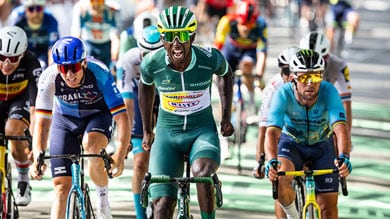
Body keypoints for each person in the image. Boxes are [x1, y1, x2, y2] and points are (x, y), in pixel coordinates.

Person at [139, 5, 234, 219]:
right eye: (170, 37)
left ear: (192, 36)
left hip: (201, 132)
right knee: (162, 205)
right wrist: (147, 130)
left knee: (202, 175)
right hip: (167, 135)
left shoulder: (209, 58)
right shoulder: (151, 63)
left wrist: (226, 117)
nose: (176, 43)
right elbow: (144, 88)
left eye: (182, 35)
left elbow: (227, 75)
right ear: (162, 39)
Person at [29, 36, 130, 219]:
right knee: (61, 187)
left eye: (73, 67)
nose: (69, 75)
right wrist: (38, 155)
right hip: (65, 122)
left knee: (91, 145)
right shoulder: (49, 78)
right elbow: (42, 122)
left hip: (97, 116)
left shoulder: (99, 72)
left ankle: (102, 201)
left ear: (83, 63)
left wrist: (120, 155)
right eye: (63, 68)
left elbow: (122, 117)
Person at [265, 49, 352, 219]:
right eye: (304, 77)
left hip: (322, 145)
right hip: (291, 143)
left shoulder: (329, 92)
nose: (310, 83)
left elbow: (341, 128)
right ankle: (293, 215)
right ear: (293, 77)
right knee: (280, 178)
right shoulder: (283, 94)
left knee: (328, 209)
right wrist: (271, 160)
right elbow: (272, 133)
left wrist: (345, 156)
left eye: (316, 77)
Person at [116, 25, 162, 219]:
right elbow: (127, 105)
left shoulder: (173, 60)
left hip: (163, 99)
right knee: (140, 162)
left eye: (156, 55)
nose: (150, 60)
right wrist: (125, 139)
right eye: (146, 55)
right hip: (137, 98)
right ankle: (140, 215)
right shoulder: (127, 61)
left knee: (163, 158)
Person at [252, 46, 298, 219]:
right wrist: (260, 160)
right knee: (277, 179)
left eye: (293, 71)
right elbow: (263, 127)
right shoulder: (273, 88)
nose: (289, 76)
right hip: (280, 134)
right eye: (285, 71)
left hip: (302, 134)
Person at [0, 26, 42, 206]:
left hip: (21, 100)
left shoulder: (32, 64)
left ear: (23, 55)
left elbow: (35, 109)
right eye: (2, 58)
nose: (7, 63)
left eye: (13, 58)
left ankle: (23, 179)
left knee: (12, 130)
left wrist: (34, 141)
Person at [214, 0, 268, 112]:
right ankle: (224, 107)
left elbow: (262, 52)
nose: (246, 28)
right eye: (242, 24)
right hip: (230, 50)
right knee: (223, 76)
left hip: (249, 51)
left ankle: (251, 97)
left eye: (249, 25)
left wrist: (259, 75)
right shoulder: (227, 21)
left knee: (247, 65)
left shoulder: (261, 24)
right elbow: (217, 48)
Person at [299, 30, 352, 136]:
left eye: (319, 60)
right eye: (308, 60)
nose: (313, 65)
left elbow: (346, 102)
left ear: (327, 56)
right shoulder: (295, 62)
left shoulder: (339, 65)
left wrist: (346, 136)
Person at [71, 0, 121, 71]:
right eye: (92, 1)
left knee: (109, 71)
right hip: (89, 44)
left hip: (107, 44)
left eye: (100, 1)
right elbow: (76, 35)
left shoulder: (113, 9)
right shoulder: (80, 8)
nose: (96, 4)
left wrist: (114, 59)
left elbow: (116, 38)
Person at [9, 0, 60, 69]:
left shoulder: (51, 20)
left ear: (43, 8)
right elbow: (12, 46)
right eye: (31, 9)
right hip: (24, 53)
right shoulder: (17, 18)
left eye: (39, 8)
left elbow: (52, 48)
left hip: (43, 53)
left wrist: (51, 69)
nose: (35, 14)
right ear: (25, 9)